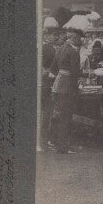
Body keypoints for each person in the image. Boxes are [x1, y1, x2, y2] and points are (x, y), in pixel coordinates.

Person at [49, 15, 88, 154]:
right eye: (79, 39)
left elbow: (53, 69)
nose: (80, 41)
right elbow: (76, 72)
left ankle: (57, 143)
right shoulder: (73, 51)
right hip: (68, 87)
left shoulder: (61, 48)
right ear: (76, 38)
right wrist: (91, 73)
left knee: (60, 115)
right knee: (66, 116)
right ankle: (63, 146)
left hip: (59, 84)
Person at [40, 17, 60, 152]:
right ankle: (45, 140)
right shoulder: (49, 49)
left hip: (43, 82)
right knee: (49, 112)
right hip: (49, 83)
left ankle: (44, 140)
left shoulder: (43, 47)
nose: (55, 37)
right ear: (47, 35)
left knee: (45, 113)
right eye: (53, 35)